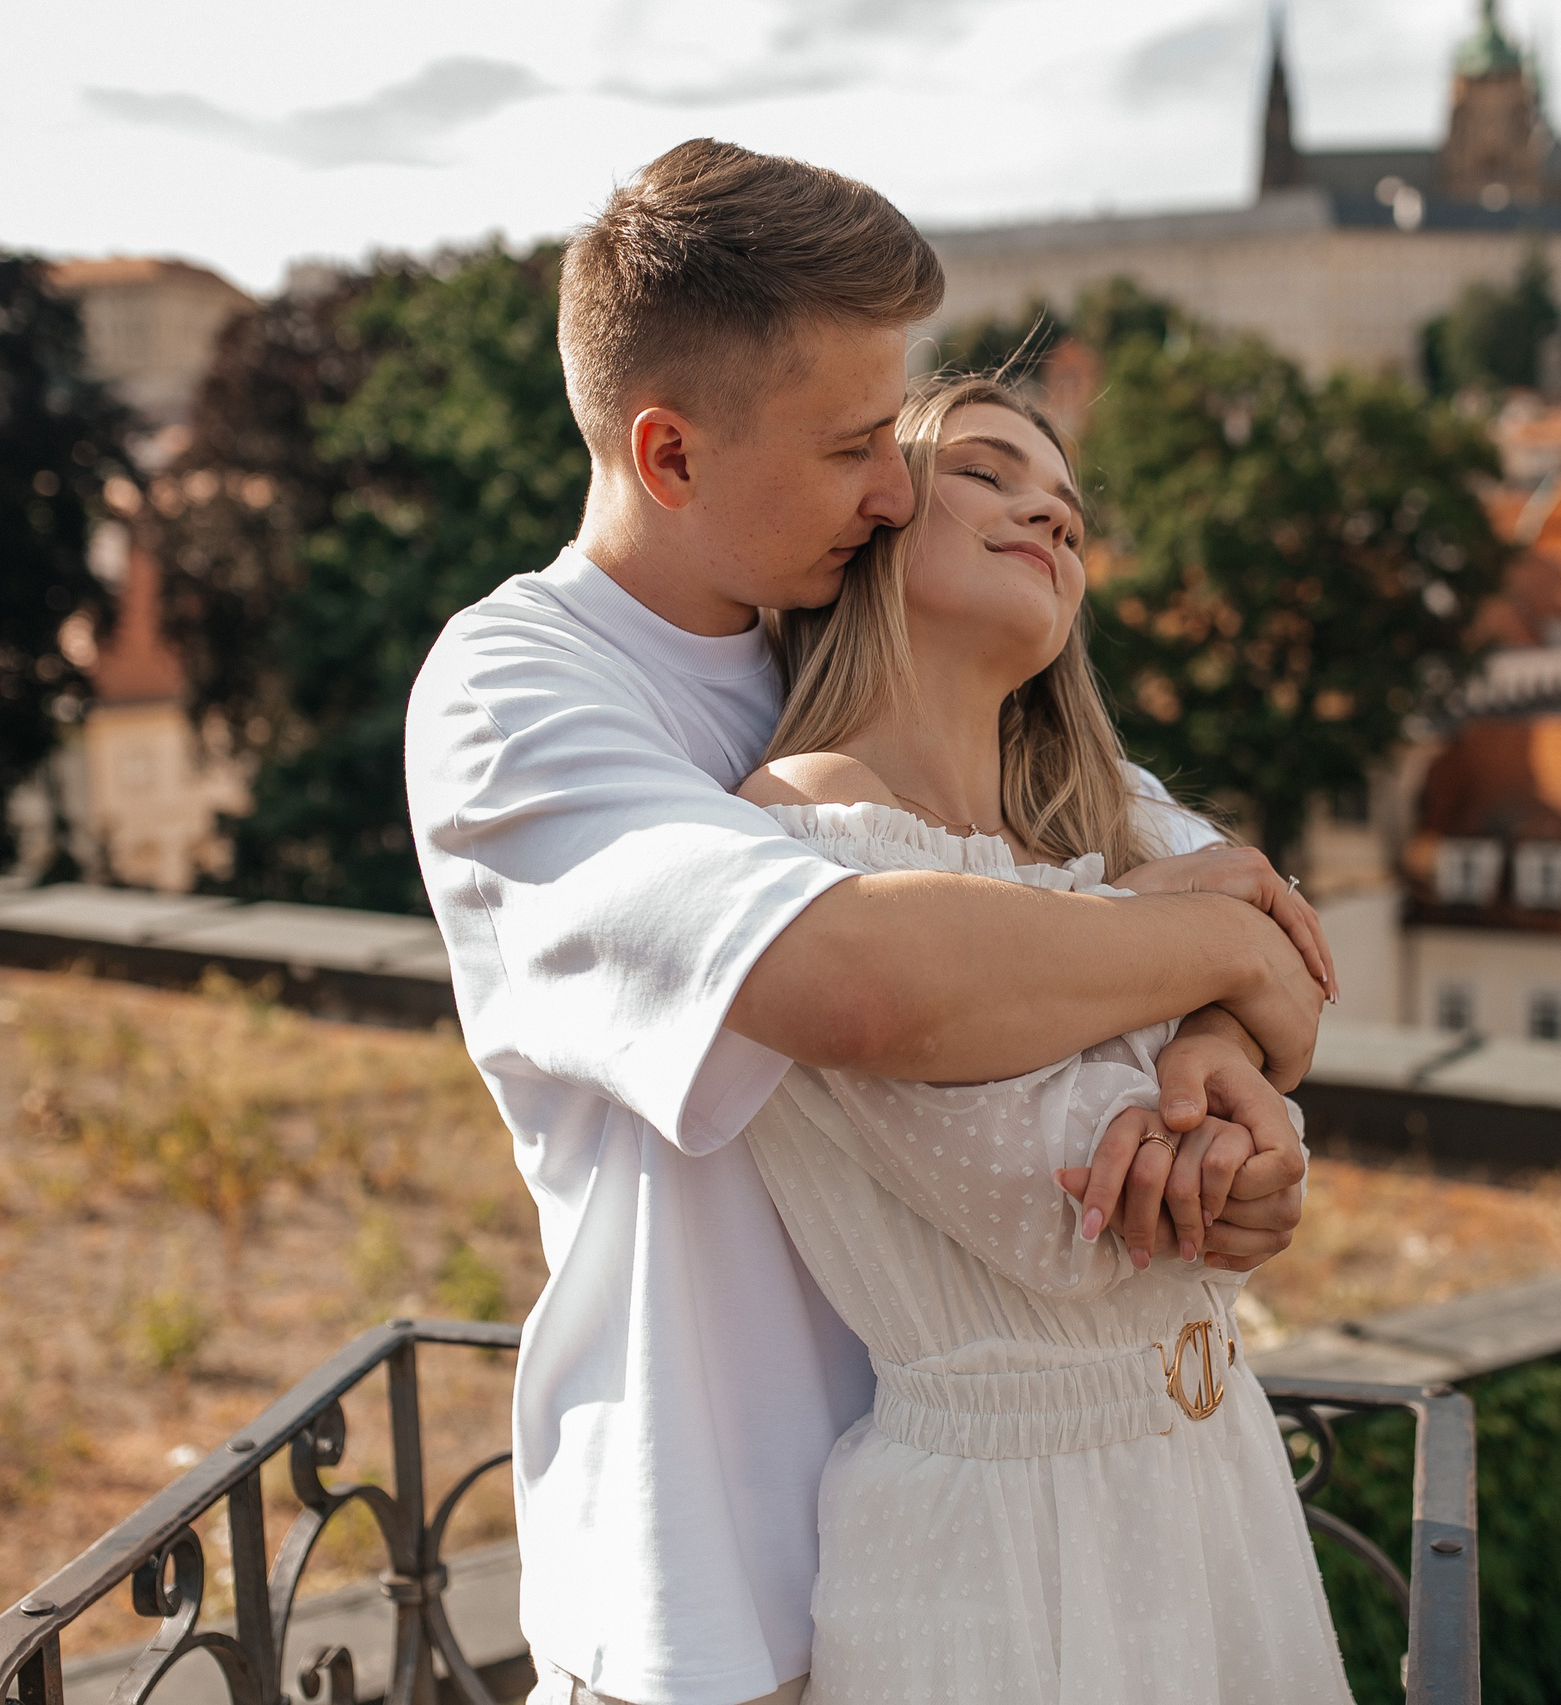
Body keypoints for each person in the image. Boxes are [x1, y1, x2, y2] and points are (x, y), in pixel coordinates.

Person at [405, 140, 1327, 1705]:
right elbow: (858, 979)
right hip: (714, 1597)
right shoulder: (520, 693)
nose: (894, 488)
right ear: (670, 454)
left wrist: (1219, 1053)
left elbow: (1255, 913)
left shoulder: (854, 644)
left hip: (1009, 1528)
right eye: (852, 447)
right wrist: (1210, 947)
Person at [735, 374, 1353, 1703]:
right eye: (987, 471)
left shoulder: (1111, 806)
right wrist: (1194, 960)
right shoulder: (814, 815)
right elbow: (1068, 1214)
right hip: (1004, 1546)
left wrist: (1217, 1048)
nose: (1051, 515)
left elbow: (1292, 975)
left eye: (1067, 508)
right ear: (875, 512)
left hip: (1218, 1478)